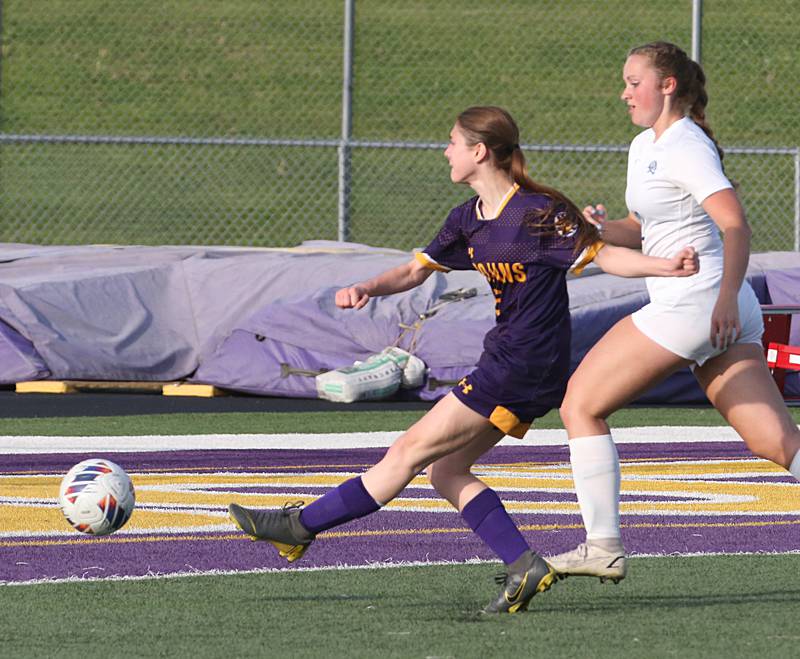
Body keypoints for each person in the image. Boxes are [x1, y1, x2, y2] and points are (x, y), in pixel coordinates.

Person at [228, 105, 698, 613]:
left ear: (479, 152)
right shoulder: (467, 220)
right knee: (445, 470)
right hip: (514, 363)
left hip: (521, 365)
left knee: (407, 452)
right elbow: (414, 272)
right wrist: (365, 286)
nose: (446, 151)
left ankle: (298, 526)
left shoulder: (538, 211)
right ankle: (523, 564)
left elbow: (604, 255)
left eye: (453, 142)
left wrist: (664, 267)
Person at [547, 41, 800, 583]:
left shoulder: (686, 143)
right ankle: (601, 545)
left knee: (579, 405)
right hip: (713, 307)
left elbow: (736, 225)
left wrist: (727, 296)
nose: (624, 91)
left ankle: (603, 546)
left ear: (667, 86)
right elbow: (642, 229)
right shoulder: (646, 145)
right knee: (774, 441)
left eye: (634, 80)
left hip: (699, 303)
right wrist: (593, 226)